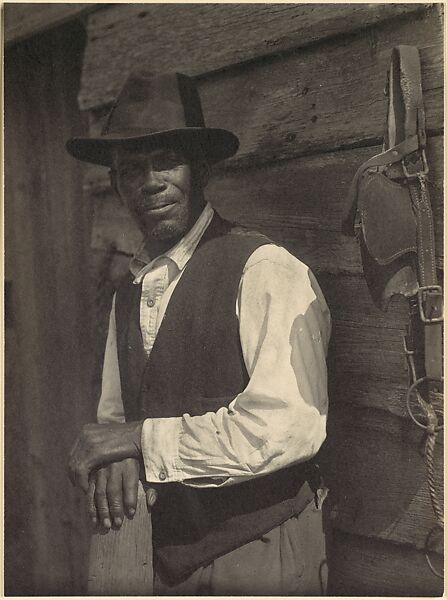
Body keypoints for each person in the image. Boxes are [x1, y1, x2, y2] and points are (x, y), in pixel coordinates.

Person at [66, 71, 331, 596]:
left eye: (166, 161)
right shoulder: (129, 290)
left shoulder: (263, 269)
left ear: (201, 168)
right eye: (131, 170)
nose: (149, 182)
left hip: (261, 549)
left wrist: (136, 442)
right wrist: (120, 452)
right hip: (166, 559)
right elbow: (117, 419)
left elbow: (287, 427)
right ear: (117, 185)